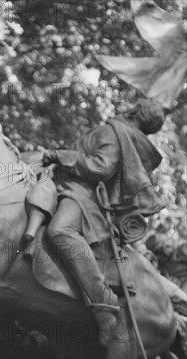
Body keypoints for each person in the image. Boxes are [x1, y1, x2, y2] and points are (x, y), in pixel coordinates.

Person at [42, 98, 166, 345]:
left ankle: (103, 304)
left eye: (135, 104)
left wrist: (61, 155)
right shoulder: (118, 130)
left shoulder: (115, 132)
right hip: (62, 183)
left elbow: (102, 167)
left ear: (135, 109)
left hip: (81, 193)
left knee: (61, 231)